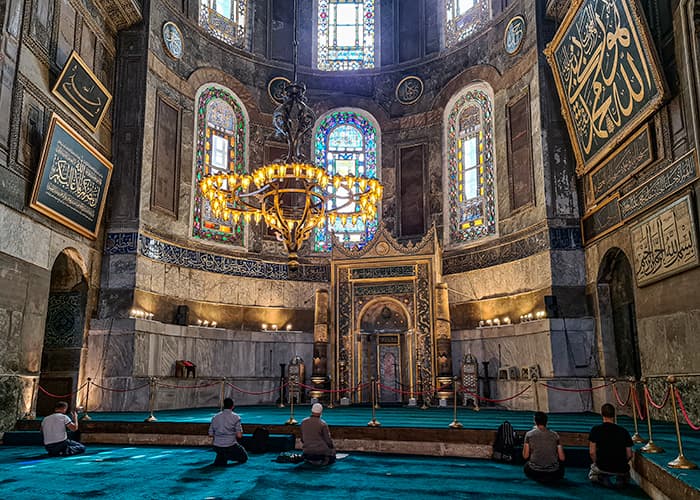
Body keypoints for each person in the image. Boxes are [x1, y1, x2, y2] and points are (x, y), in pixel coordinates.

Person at [588, 403, 633, 488]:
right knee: (625, 474)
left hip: (603, 466)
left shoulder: (596, 430)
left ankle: (601, 478)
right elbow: (629, 455)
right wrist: (622, 463)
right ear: (614, 415)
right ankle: (620, 478)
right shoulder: (624, 431)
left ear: (602, 414)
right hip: (621, 468)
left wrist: (596, 463)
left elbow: (592, 452)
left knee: (592, 474)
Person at [522, 411, 565, 482]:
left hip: (535, 471)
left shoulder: (529, 434)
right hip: (553, 472)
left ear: (535, 422)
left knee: (526, 466)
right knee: (560, 467)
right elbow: (562, 458)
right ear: (546, 422)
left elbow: (525, 456)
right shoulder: (555, 435)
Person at [208, 398, 248, 466]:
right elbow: (239, 436)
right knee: (244, 458)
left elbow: (210, 434)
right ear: (233, 406)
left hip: (217, 445)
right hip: (230, 445)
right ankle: (225, 455)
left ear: (224, 406)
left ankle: (222, 455)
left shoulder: (215, 417)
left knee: (222, 455)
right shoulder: (236, 417)